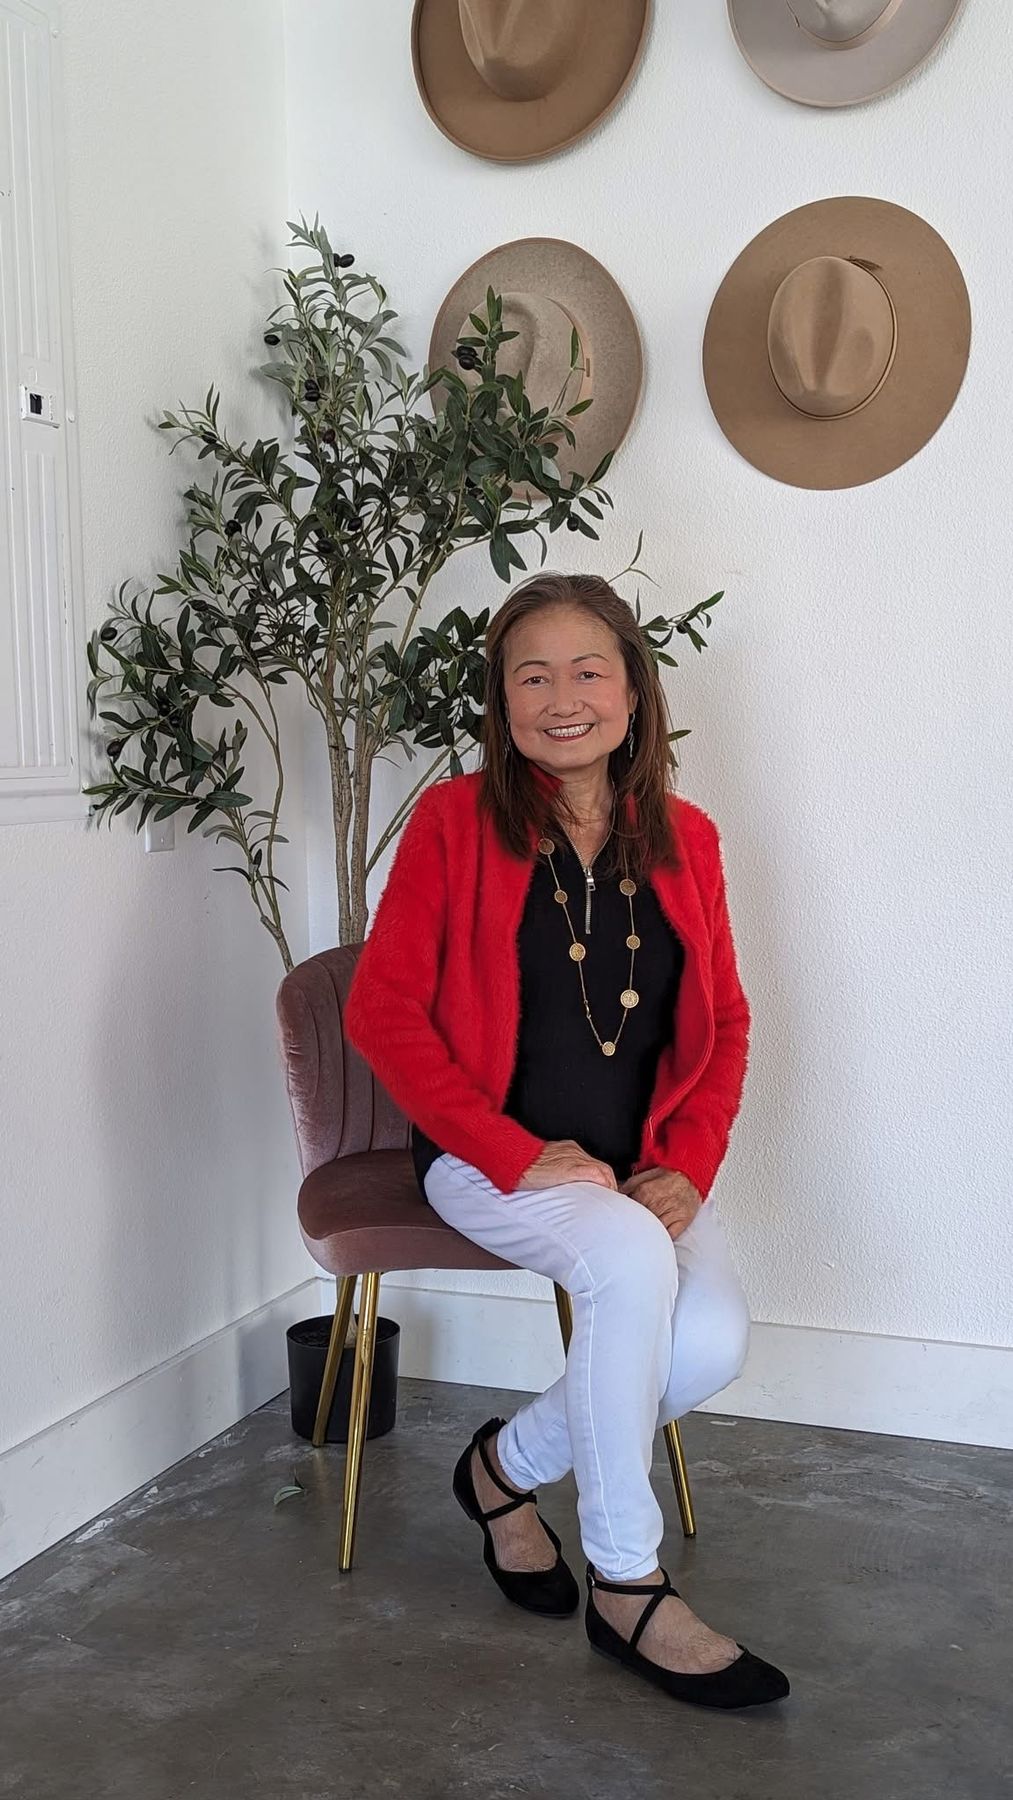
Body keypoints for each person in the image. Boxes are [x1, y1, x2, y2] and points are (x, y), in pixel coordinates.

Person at [344, 571, 789, 1711]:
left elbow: (726, 1022)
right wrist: (504, 1146)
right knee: (631, 1266)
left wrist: (686, 1166)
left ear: (633, 693)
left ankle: (498, 1471)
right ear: (501, 702)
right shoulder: (453, 824)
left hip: (637, 1170)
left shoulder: (687, 839)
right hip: (487, 1159)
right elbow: (381, 1012)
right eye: (530, 676)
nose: (561, 698)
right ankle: (628, 1584)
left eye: (588, 671)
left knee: (709, 1344)